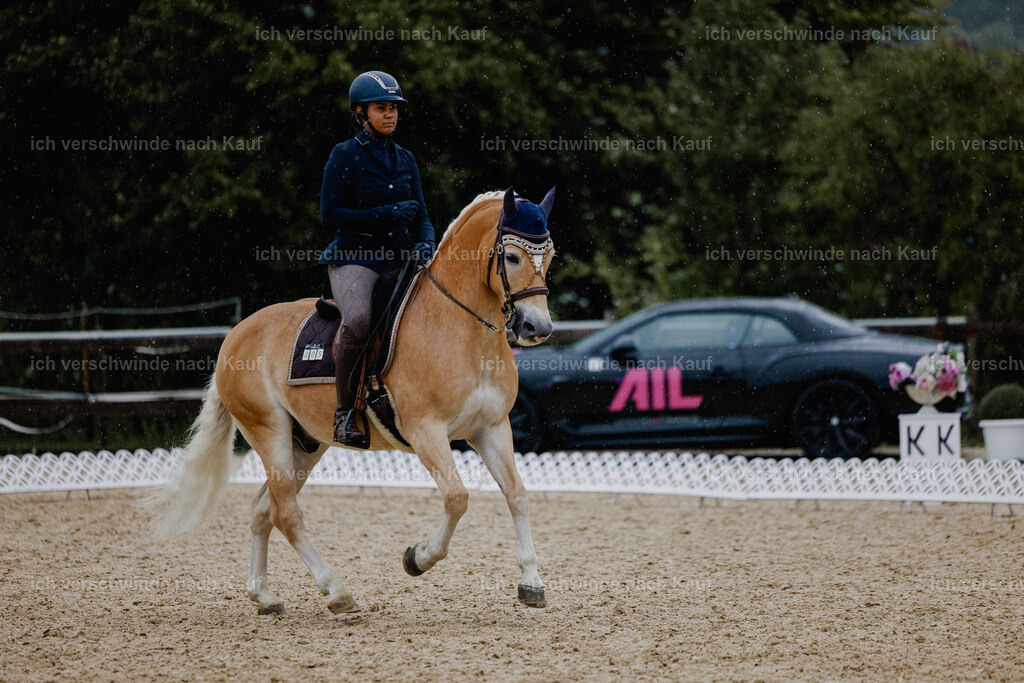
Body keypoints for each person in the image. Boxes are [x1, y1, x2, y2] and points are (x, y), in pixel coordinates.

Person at [318, 70, 435, 447]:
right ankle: (344, 414)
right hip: (355, 257)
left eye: (394, 109)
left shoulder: (406, 159)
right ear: (360, 112)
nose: (390, 115)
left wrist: (426, 243)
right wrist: (384, 214)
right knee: (360, 319)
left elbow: (422, 215)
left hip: (400, 258)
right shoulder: (344, 154)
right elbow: (330, 215)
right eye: (381, 108)